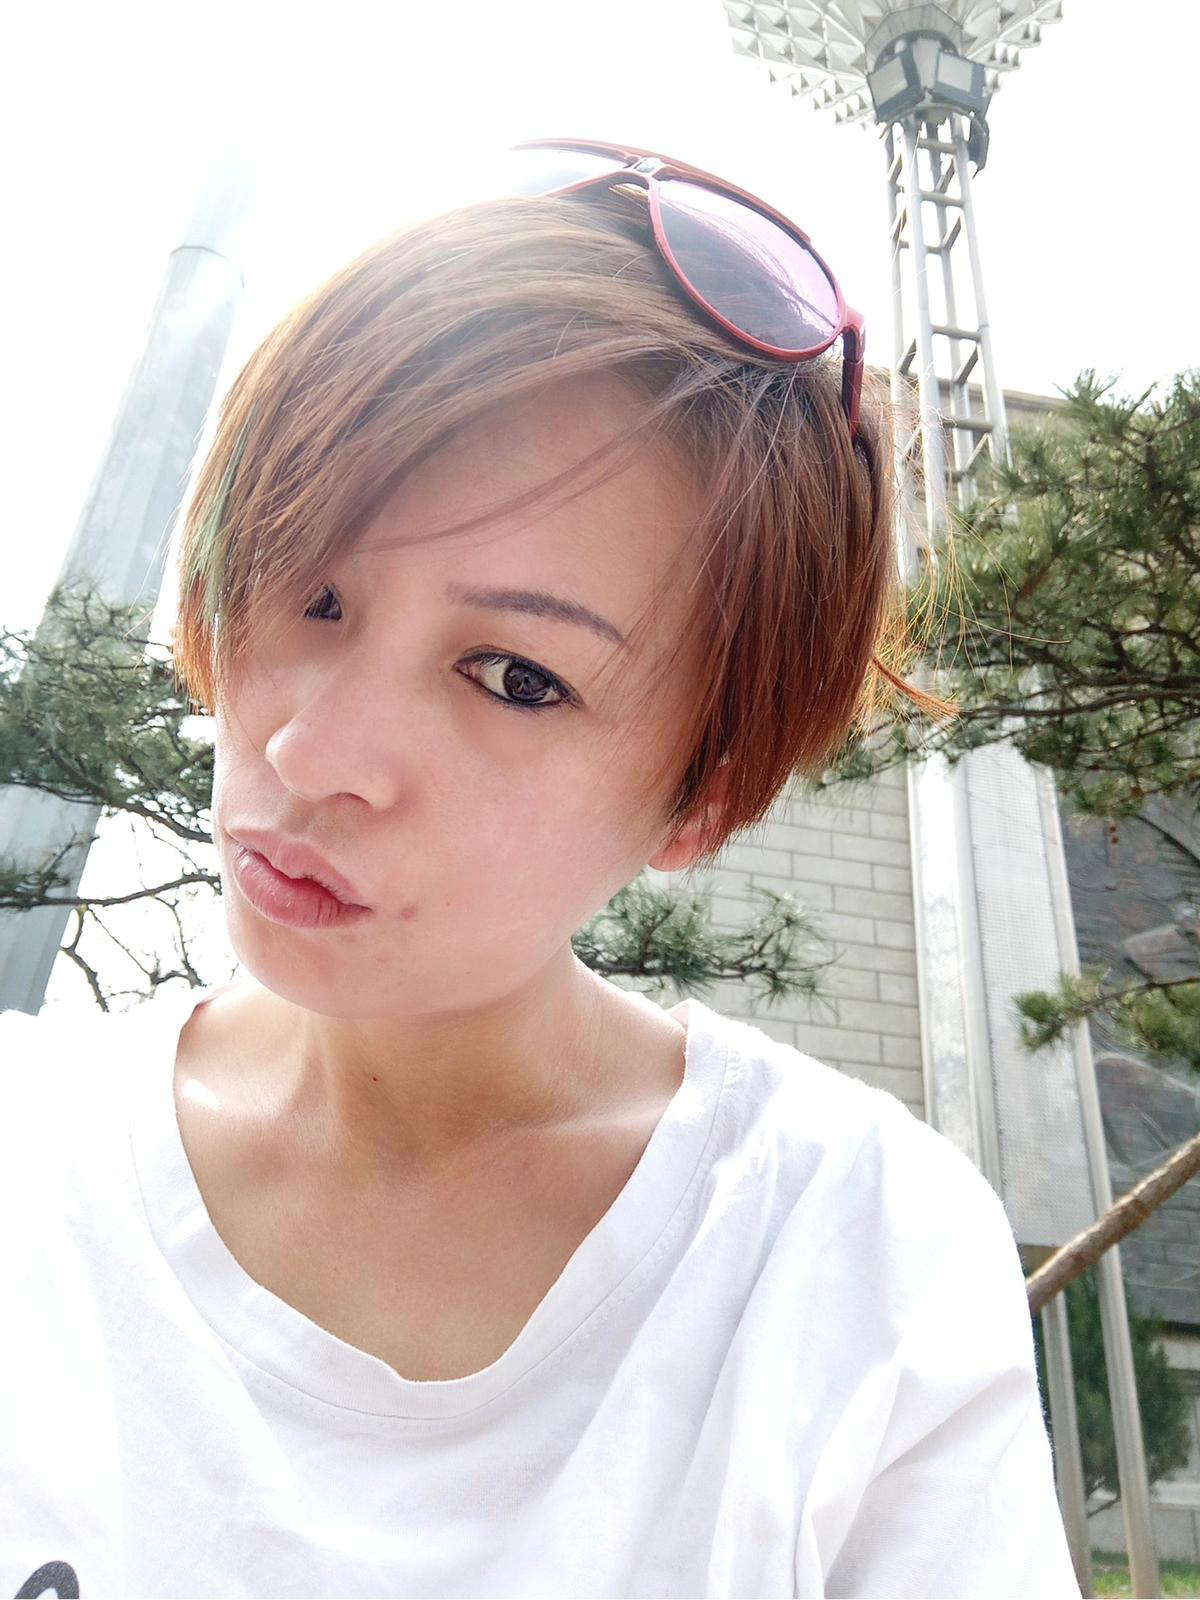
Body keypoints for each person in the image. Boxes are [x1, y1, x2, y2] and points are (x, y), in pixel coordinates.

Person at [0, 140, 1080, 1599]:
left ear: (703, 795)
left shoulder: (849, 1262)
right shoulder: (29, 1158)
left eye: (515, 677)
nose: (315, 749)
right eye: (313, 590)